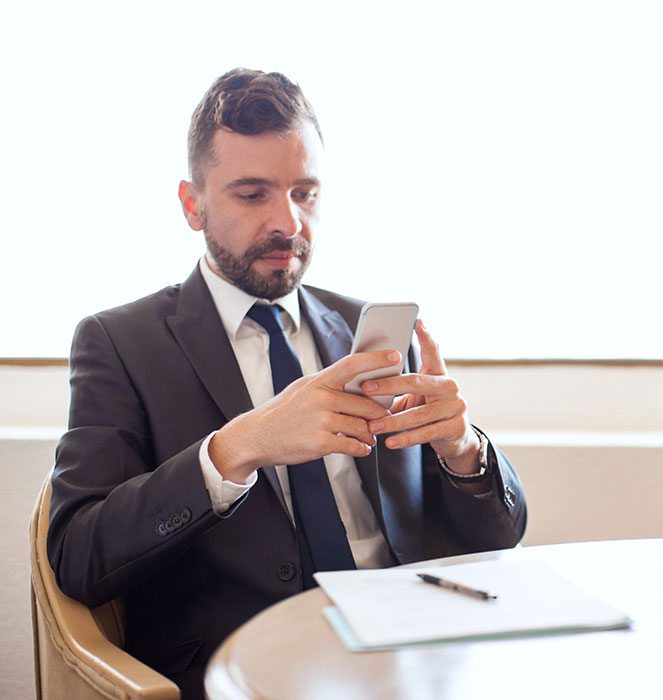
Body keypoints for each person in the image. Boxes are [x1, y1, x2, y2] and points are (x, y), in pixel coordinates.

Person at [47, 68, 527, 698]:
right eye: (253, 195)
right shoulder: (120, 343)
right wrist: (238, 447)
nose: (290, 223)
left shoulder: (375, 330)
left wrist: (463, 452)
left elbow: (498, 537)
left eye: (305, 193)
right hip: (242, 669)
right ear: (192, 205)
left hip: (409, 657)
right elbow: (80, 555)